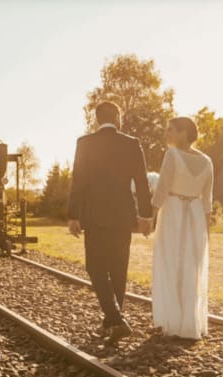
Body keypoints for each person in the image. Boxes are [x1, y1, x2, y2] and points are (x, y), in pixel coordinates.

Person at [67, 101, 153, 342]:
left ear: (97, 119)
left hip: (93, 215)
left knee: (94, 267)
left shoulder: (85, 143)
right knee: (118, 268)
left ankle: (114, 318)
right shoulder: (131, 143)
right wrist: (145, 216)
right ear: (117, 117)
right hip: (123, 215)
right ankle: (113, 319)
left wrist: (73, 215)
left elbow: (78, 181)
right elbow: (142, 181)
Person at [151, 117, 213, 340]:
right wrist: (206, 229)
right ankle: (189, 322)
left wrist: (153, 214)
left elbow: (162, 188)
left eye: (171, 130)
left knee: (171, 262)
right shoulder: (207, 161)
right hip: (195, 214)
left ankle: (173, 322)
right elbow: (207, 200)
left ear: (184, 133)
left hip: (174, 210)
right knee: (191, 266)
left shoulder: (173, 155)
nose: (166, 133)